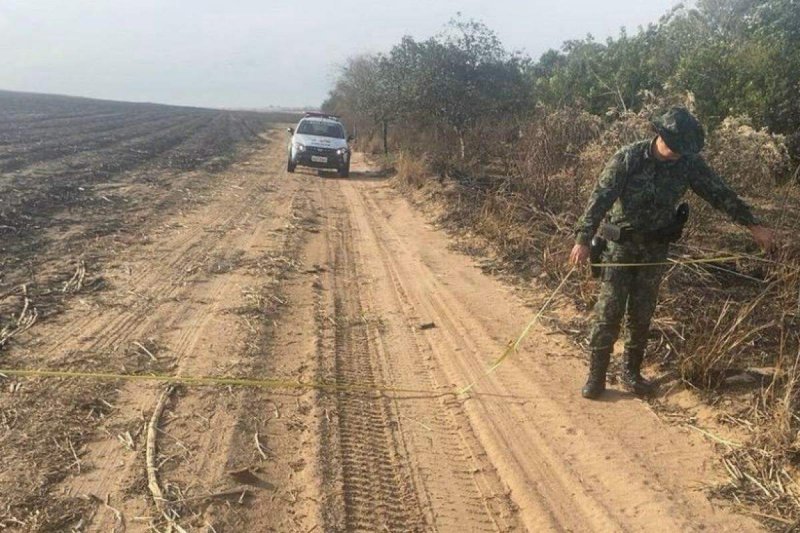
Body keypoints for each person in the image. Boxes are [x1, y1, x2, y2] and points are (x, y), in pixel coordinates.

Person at [569, 107, 774, 400]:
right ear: (660, 135)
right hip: (620, 249)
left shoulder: (688, 164)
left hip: (654, 250)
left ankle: (631, 372)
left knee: (641, 314)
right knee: (609, 311)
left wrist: (753, 226)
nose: (677, 153)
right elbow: (599, 199)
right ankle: (596, 376)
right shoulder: (628, 158)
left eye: (683, 150)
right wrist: (583, 240)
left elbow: (720, 193)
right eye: (674, 147)